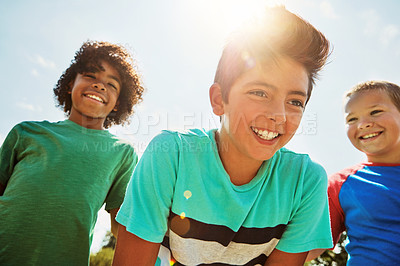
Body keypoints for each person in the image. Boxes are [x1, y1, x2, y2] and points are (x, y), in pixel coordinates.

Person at [113, 6, 333, 266]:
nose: (279, 115)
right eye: (260, 92)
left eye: (295, 101)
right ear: (219, 100)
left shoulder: (305, 181)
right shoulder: (173, 154)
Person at [0, 40, 144, 265]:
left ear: (117, 103)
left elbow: (123, 223)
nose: (99, 85)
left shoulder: (122, 153)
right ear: (70, 84)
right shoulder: (26, 132)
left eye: (111, 84)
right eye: (90, 75)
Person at [307, 81, 400, 265]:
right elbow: (306, 246)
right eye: (352, 119)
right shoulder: (341, 184)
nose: (364, 124)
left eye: (375, 112)